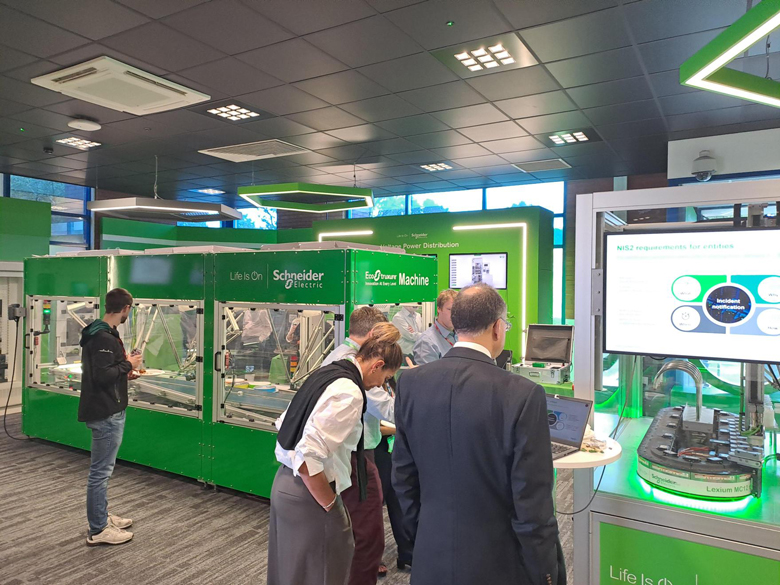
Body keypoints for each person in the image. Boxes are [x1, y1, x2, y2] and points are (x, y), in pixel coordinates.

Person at [392, 283, 565, 585]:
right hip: (498, 564)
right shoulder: (522, 394)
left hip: (430, 558)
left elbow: (403, 478)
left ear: (457, 324)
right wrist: (547, 573)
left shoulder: (411, 383)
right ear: (498, 328)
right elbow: (532, 503)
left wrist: (425, 535)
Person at [267, 335, 404, 585]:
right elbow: (308, 457)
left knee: (292, 573)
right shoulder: (349, 392)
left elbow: (284, 424)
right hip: (309, 493)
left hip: (285, 484)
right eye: (384, 379)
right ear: (377, 365)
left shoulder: (329, 373)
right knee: (323, 573)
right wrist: (330, 504)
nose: (379, 385)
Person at [323, 308, 412, 580]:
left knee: (364, 517)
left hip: (356, 449)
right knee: (364, 525)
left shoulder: (341, 357)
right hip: (355, 452)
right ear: (373, 335)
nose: (381, 382)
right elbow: (384, 406)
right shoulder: (353, 370)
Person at [78, 288, 143, 546]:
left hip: (108, 408)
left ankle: (101, 516)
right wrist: (129, 364)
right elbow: (103, 375)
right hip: (106, 413)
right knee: (101, 472)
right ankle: (98, 529)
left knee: (103, 470)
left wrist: (124, 372)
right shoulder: (103, 337)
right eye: (130, 310)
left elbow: (105, 372)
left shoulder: (101, 333)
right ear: (125, 308)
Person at [412, 289, 458, 365]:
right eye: (449, 309)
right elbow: (428, 372)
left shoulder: (460, 336)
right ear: (439, 309)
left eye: (457, 310)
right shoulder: (426, 342)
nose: (454, 314)